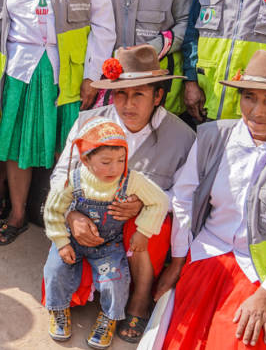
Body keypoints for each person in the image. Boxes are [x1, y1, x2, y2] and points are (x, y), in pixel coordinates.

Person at [157, 50, 266, 350]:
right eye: (249, 97)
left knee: (249, 339)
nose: (257, 111)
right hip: (210, 254)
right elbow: (184, 196)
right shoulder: (213, 137)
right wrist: (178, 260)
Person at [0, 0, 116, 245]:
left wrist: (93, 74)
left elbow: (104, 24)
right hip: (21, 69)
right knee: (16, 147)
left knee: (68, 147)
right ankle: (17, 213)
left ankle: (66, 216)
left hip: (68, 70)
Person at [51, 46, 196, 342]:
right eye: (121, 94)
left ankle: (140, 297)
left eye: (138, 94)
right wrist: (71, 215)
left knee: (156, 226)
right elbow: (59, 178)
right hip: (90, 221)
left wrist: (146, 203)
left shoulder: (183, 137)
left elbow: (184, 200)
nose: (127, 104)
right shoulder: (87, 122)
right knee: (59, 270)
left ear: (158, 96)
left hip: (139, 235)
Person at [42, 119, 169, 348]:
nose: (115, 168)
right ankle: (58, 309)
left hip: (108, 245)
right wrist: (61, 243)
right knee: (55, 269)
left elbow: (159, 201)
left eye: (121, 160)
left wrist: (143, 231)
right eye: (106, 162)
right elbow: (53, 209)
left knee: (115, 281)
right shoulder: (74, 179)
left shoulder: (130, 180)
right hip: (73, 240)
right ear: (86, 160)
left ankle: (109, 317)